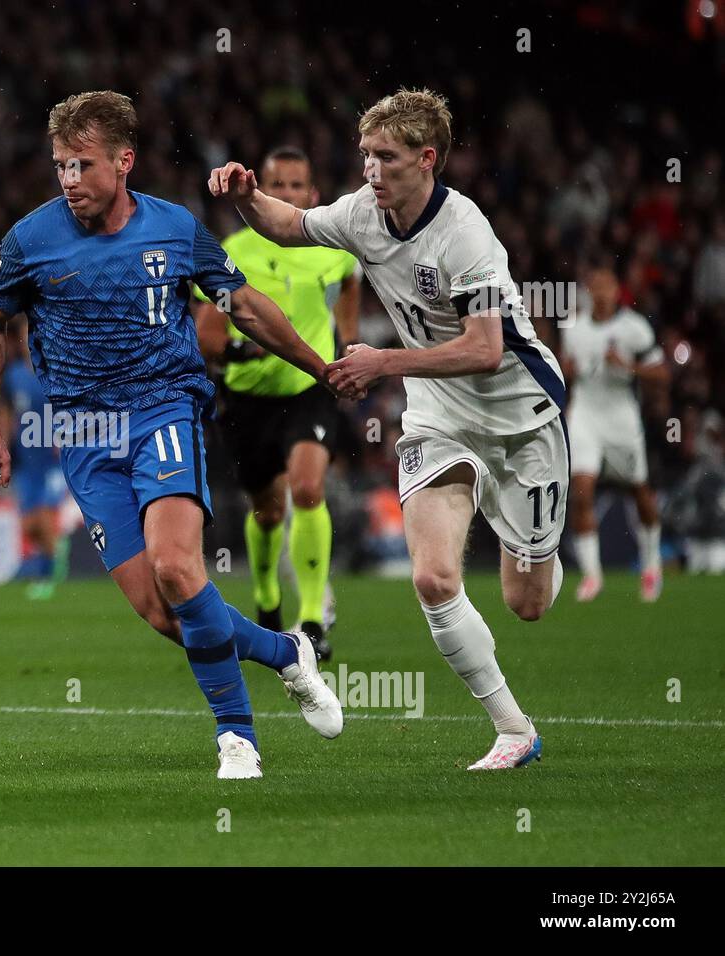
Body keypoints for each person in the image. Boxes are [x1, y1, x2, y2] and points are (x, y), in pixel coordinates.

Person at [0, 91, 346, 779]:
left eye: (82, 165)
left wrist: (321, 367)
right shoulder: (30, 240)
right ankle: (286, 653)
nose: (69, 181)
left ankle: (237, 739)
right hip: (84, 434)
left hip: (162, 412)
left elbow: (248, 309)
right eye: (59, 166)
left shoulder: (174, 230)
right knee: (163, 611)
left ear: (124, 160)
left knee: (178, 568)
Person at [211, 88, 567, 770]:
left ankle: (511, 515)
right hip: (438, 411)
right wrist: (245, 196)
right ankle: (514, 731)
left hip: (519, 416)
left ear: (426, 159)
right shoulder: (361, 215)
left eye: (387, 157)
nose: (371, 170)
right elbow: (289, 225)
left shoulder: (465, 234)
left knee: (527, 601)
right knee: (433, 580)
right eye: (365, 155)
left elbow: (487, 348)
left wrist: (383, 362)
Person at [193, 145, 361, 657]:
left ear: (312, 194)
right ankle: (267, 599)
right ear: (261, 190)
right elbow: (207, 334)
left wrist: (346, 347)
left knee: (309, 489)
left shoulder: (332, 248)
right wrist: (234, 350)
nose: (287, 194)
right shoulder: (233, 250)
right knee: (266, 511)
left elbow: (350, 282)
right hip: (247, 401)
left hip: (309, 389)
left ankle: (312, 620)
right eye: (278, 185)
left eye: (297, 186)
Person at [560, 266, 669, 601]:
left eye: (608, 287)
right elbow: (567, 372)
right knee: (581, 491)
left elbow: (662, 374)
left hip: (622, 416)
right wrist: (568, 372)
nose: (602, 294)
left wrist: (628, 366)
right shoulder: (574, 329)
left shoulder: (634, 328)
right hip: (586, 415)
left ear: (618, 291)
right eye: (596, 287)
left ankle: (652, 566)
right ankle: (592, 575)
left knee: (640, 491)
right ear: (589, 292)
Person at [1, 319, 71, 600]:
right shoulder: (14, 375)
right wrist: (1, 444)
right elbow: (6, 412)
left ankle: (46, 578)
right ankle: (53, 554)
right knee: (28, 526)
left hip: (53, 461)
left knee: (43, 515)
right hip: (27, 462)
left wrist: (66, 436)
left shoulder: (57, 373)